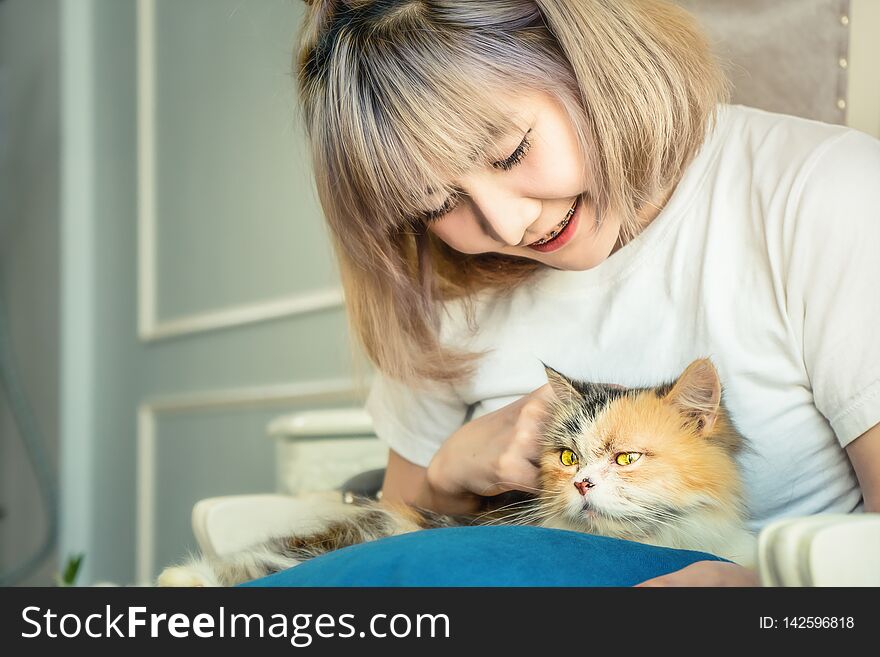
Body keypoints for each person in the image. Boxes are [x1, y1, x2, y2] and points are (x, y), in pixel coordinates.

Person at [293, 0, 880, 585]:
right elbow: (387, 560)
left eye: (510, 152)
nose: (507, 224)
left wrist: (764, 600)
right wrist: (447, 478)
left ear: (586, 60)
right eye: (439, 204)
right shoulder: (443, 278)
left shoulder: (828, 193)